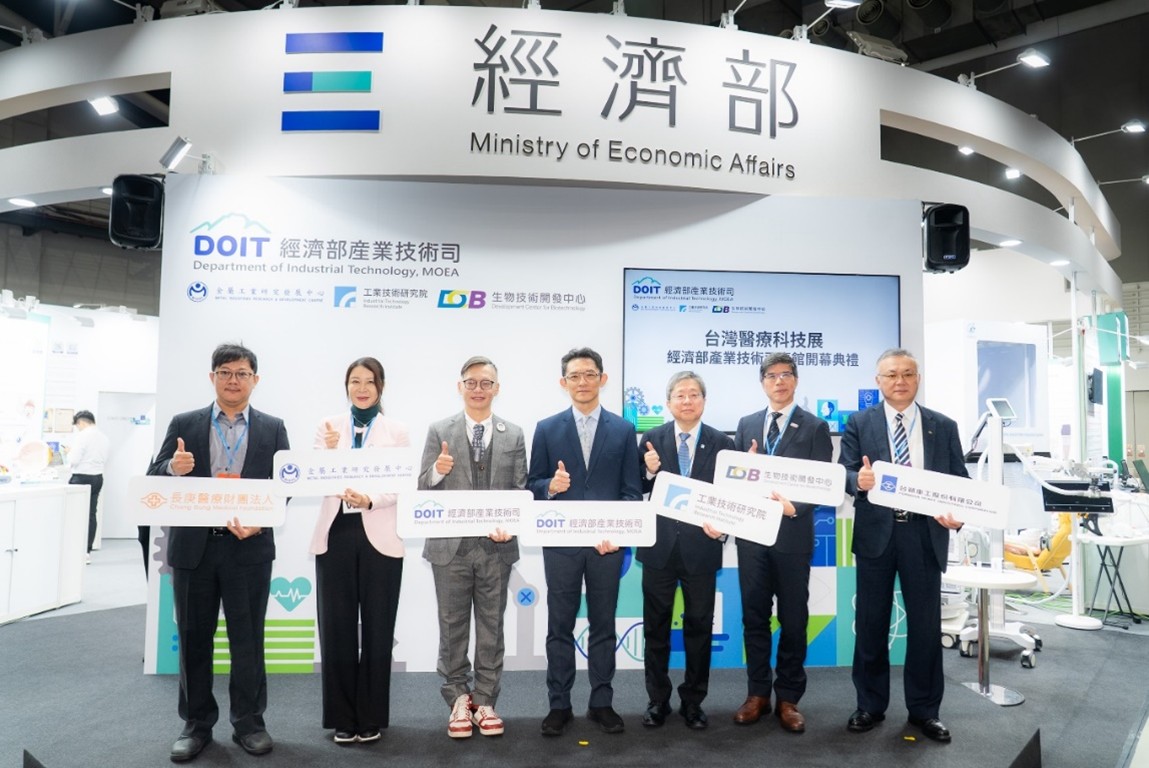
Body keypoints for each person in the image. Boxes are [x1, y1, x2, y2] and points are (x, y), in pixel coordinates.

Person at [146, 343, 290, 763]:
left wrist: (261, 521)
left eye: (242, 373)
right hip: (195, 550)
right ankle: (196, 725)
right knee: (194, 638)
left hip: (248, 548)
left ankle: (250, 723)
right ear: (212, 377)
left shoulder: (273, 428)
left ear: (255, 380)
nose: (233, 380)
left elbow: (285, 485)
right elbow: (154, 476)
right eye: (225, 372)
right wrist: (173, 468)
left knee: (248, 640)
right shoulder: (184, 423)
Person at [839, 348, 965, 744]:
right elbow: (845, 471)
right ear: (878, 381)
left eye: (908, 373)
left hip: (924, 535)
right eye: (891, 374)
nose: (900, 381)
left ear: (918, 379)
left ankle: (925, 711)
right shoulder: (859, 422)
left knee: (926, 627)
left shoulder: (943, 425)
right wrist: (857, 481)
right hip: (877, 535)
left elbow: (959, 481)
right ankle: (869, 705)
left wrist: (957, 515)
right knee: (871, 625)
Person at [528, 347, 642, 737]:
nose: (582, 382)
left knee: (603, 624)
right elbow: (532, 485)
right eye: (575, 376)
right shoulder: (547, 428)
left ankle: (601, 702)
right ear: (564, 383)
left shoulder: (623, 430)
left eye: (590, 374)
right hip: (561, 545)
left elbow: (631, 492)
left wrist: (619, 535)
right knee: (559, 625)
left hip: (606, 547)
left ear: (602, 379)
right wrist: (551, 486)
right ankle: (559, 704)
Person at [417, 356, 527, 739]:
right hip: (450, 548)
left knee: (492, 626)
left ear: (497, 388)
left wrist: (510, 527)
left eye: (486, 382)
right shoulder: (439, 430)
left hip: (496, 548)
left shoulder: (514, 434)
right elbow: (421, 486)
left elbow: (520, 490)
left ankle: (485, 699)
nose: (478, 389)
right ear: (460, 386)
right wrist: (438, 471)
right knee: (452, 626)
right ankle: (458, 698)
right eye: (471, 382)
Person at [731, 352, 833, 734]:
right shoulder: (746, 424)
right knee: (754, 616)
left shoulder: (815, 426)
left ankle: (788, 697)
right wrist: (744, 469)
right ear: (763, 383)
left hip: (792, 535)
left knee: (793, 619)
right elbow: (733, 479)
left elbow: (824, 482)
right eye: (771, 375)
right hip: (752, 537)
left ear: (796, 380)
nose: (779, 381)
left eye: (786, 374)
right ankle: (757, 694)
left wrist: (795, 508)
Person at [309, 356, 408, 745]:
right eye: (355, 381)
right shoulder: (328, 427)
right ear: (346, 386)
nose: (362, 388)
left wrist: (370, 500)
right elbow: (312, 477)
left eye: (369, 381)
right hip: (336, 532)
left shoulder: (396, 431)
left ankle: (370, 717)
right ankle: (342, 718)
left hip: (380, 532)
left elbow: (402, 483)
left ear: (380, 387)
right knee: (336, 628)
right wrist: (330, 453)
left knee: (379, 629)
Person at [637, 371, 734, 730]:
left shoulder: (723, 443)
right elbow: (635, 485)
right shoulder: (651, 439)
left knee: (699, 628)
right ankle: (657, 700)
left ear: (704, 401)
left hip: (702, 549)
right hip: (659, 549)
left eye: (694, 394)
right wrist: (648, 473)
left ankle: (693, 701)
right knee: (656, 629)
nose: (687, 401)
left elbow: (732, 497)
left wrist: (724, 527)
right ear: (669, 402)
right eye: (680, 395)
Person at [68, 409, 110, 560]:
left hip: (81, 477)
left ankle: (73, 548)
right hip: (97, 477)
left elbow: (74, 459)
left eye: (77, 426)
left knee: (74, 513)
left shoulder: (82, 436)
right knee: (91, 514)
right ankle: (86, 551)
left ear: (81, 422)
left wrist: (68, 453)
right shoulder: (104, 437)